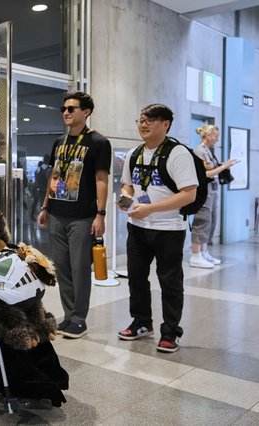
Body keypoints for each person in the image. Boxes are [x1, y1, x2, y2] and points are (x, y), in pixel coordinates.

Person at [116, 104, 198, 353]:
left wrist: (151, 209)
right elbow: (128, 185)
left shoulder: (178, 154)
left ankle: (171, 332)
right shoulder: (135, 153)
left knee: (170, 281)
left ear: (166, 124)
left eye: (151, 120)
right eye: (141, 120)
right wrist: (125, 197)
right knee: (137, 279)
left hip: (169, 228)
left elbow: (189, 195)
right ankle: (142, 323)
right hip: (137, 225)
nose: (144, 124)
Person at [37, 92, 111, 339]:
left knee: (80, 269)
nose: (66, 112)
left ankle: (79, 319)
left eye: (72, 108)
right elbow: (54, 175)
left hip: (83, 216)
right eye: (64, 109)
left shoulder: (99, 142)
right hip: (57, 213)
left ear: (86, 112)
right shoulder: (60, 142)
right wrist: (45, 207)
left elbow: (102, 180)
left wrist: (100, 214)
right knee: (62, 269)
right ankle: (69, 316)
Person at [189, 124, 235, 268]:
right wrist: (223, 167)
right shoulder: (199, 151)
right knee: (202, 220)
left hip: (212, 191)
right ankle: (195, 255)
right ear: (208, 135)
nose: (217, 139)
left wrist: (219, 167)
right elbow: (205, 174)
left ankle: (204, 252)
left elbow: (211, 169)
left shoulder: (208, 151)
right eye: (215, 136)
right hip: (204, 191)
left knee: (210, 221)